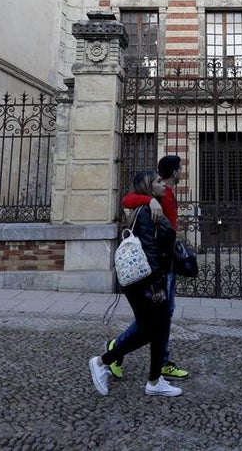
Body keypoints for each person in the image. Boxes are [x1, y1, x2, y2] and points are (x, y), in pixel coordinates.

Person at [88, 171, 181, 397]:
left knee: (155, 331)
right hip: (146, 282)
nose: (164, 185)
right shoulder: (148, 212)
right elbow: (150, 251)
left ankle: (154, 381)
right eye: (158, 182)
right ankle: (102, 362)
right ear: (149, 187)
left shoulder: (153, 206)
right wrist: (158, 285)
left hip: (144, 280)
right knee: (149, 331)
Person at [105, 154, 189, 380]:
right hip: (157, 265)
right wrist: (148, 200)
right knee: (156, 317)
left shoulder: (167, 194)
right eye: (180, 169)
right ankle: (117, 348)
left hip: (166, 261)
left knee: (163, 314)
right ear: (174, 172)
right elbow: (127, 200)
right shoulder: (158, 196)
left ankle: (158, 361)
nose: (181, 172)